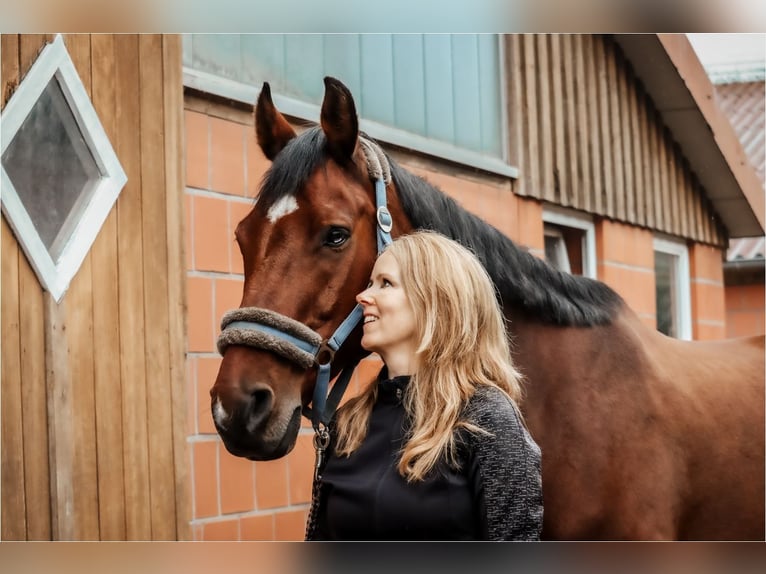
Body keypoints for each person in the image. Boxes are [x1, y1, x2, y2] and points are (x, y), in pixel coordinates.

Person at [306, 231, 543, 541]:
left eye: (385, 283)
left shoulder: (486, 418)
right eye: (369, 284)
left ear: (435, 301)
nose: (362, 297)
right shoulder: (347, 424)